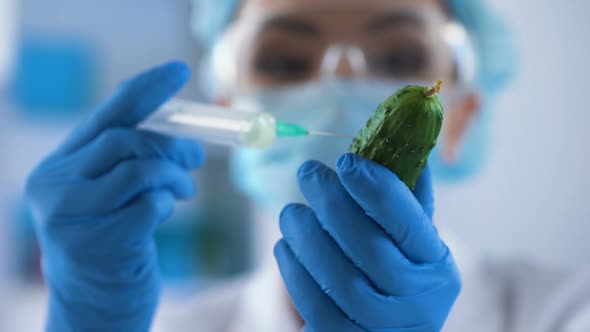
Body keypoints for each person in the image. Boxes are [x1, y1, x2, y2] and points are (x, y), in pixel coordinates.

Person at [24, 0, 590, 331]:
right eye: (285, 60)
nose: (337, 83)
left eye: (395, 57)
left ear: (464, 113)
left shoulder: (561, 312)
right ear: (230, 110)